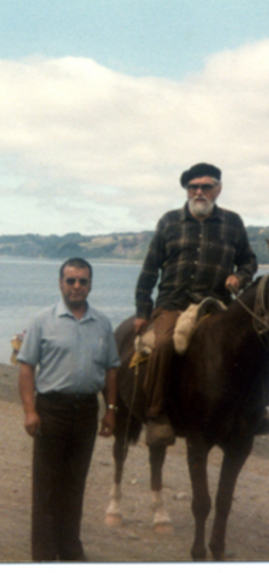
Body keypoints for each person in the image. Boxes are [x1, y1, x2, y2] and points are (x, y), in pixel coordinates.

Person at [134, 163, 258, 446]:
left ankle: (252, 410)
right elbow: (150, 269)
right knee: (164, 344)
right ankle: (156, 415)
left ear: (218, 189)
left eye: (206, 186)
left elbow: (249, 260)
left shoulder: (233, 222)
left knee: (254, 342)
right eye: (193, 187)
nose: (199, 191)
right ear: (187, 190)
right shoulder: (168, 222)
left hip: (216, 304)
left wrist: (239, 276)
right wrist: (142, 311)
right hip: (173, 303)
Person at [17, 257, 120, 562]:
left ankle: (70, 551)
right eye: (71, 280)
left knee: (75, 486)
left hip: (86, 412)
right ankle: (45, 558)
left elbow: (112, 369)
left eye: (83, 281)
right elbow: (26, 367)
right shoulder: (42, 321)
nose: (77, 286)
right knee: (47, 489)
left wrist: (111, 410)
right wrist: (29, 411)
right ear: (60, 283)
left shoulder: (102, 323)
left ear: (90, 284)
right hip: (51, 411)